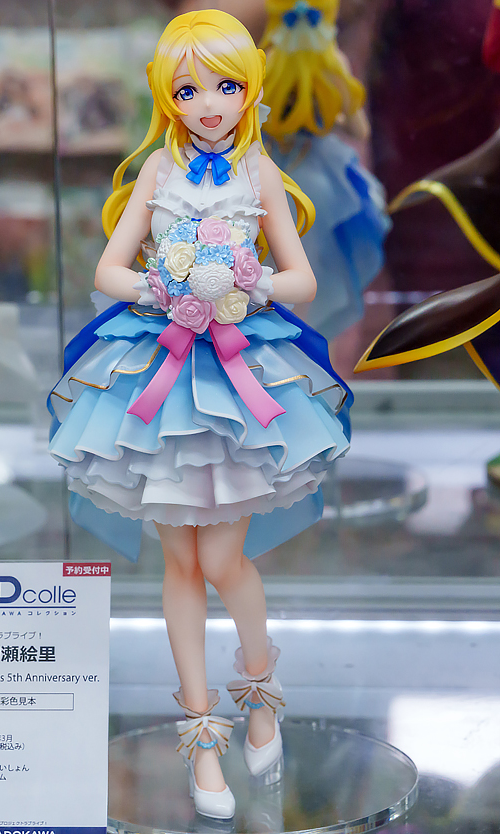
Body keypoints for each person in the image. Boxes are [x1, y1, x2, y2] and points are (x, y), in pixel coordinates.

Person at [49, 10, 351, 820]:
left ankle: (260, 687)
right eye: (188, 90)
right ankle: (201, 731)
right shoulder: (155, 169)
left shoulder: (259, 171)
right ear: (167, 97)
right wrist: (165, 286)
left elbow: (303, 281)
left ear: (249, 89)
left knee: (221, 560)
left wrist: (245, 284)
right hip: (162, 366)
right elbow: (109, 270)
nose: (208, 104)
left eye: (224, 86)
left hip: (238, 371)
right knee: (178, 565)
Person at [260, 0, 390, 341]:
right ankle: (301, 337)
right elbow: (359, 130)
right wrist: (329, 115)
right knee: (311, 267)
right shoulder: (333, 65)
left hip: (278, 175)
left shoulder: (264, 64)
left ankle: (284, 336)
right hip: (315, 180)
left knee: (276, 264)